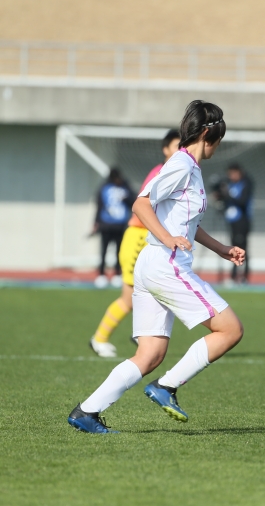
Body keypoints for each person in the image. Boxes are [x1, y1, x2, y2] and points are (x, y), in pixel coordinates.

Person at [68, 100, 246, 433]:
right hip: (166, 264)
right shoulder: (182, 164)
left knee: (150, 354)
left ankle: (86, 413)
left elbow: (187, 224)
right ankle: (166, 387)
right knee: (231, 329)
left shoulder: (188, 166)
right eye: (219, 137)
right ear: (209, 133)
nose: (219, 145)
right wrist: (167, 238)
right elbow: (141, 204)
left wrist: (221, 249)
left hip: (152, 265)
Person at [89, 130, 181, 358]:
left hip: (149, 238)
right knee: (128, 297)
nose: (183, 151)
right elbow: (144, 206)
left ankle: (142, 333)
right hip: (139, 237)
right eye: (178, 146)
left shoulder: (173, 172)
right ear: (166, 149)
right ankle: (99, 339)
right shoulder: (162, 172)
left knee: (158, 289)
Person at [93, 168, 136, 288]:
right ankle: (101, 274)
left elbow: (134, 201)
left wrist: (126, 198)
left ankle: (118, 273)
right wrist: (96, 222)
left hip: (120, 225)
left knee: (120, 251)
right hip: (106, 225)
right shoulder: (104, 188)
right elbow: (99, 206)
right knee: (103, 250)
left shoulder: (125, 187)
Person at [214, 163, 253, 284]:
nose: (231, 176)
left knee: (243, 247)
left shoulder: (246, 183)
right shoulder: (228, 183)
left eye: (233, 173)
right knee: (233, 247)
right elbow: (224, 199)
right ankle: (234, 275)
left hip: (242, 221)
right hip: (231, 221)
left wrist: (228, 195)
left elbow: (242, 201)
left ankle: (244, 276)